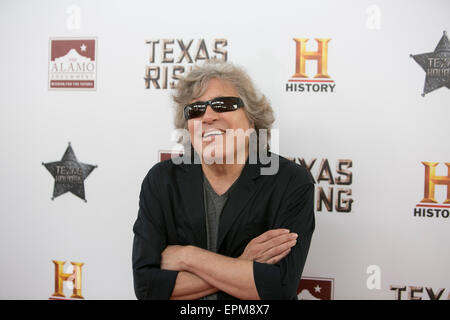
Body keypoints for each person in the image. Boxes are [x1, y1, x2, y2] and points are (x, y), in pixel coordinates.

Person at [132, 61, 315, 300]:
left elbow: (276, 287)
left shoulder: (290, 182)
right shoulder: (161, 180)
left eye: (223, 104)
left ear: (251, 121)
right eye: (195, 109)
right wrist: (242, 264)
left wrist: (188, 256)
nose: (207, 116)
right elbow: (147, 288)